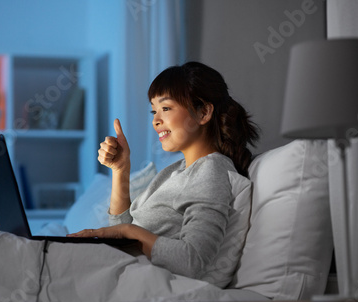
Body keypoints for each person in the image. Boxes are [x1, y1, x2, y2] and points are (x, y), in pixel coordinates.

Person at [68, 61, 259, 287]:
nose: (156, 120)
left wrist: (128, 232)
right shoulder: (174, 171)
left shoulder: (212, 170)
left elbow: (193, 261)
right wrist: (121, 169)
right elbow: (122, 227)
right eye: (154, 111)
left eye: (166, 108)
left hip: (137, 283)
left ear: (204, 112)